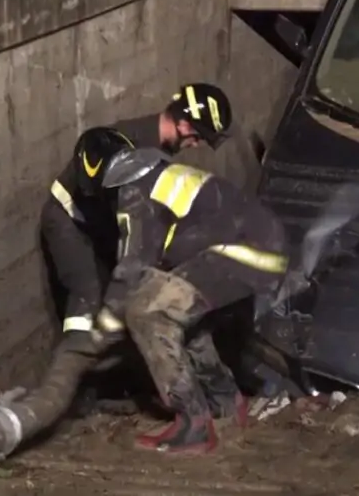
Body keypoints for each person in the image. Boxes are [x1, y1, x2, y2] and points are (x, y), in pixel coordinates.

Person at [72, 129, 289, 454]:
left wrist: (100, 333)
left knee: (147, 312)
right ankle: (226, 404)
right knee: (183, 316)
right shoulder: (160, 176)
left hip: (243, 252)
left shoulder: (132, 191)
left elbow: (131, 269)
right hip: (262, 248)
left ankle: (194, 424)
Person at [41, 82, 235, 335]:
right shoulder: (135, 145)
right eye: (197, 137)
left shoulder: (155, 144)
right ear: (184, 124)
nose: (196, 144)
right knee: (88, 293)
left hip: (97, 222)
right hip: (69, 219)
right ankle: (74, 358)